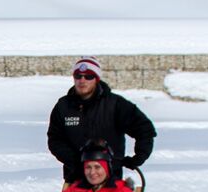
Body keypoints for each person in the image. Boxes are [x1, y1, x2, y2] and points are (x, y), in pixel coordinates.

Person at [47, 56, 156, 184]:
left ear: (97, 79)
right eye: (78, 76)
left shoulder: (115, 104)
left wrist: (138, 158)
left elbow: (144, 129)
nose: (82, 80)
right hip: (75, 178)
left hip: (110, 180)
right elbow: (55, 139)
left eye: (88, 76)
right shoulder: (63, 106)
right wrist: (77, 161)